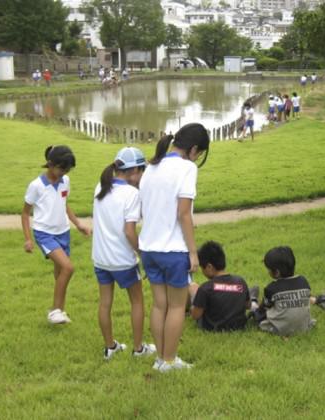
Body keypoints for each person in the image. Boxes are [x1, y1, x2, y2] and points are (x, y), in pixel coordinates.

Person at [139, 123, 210, 372]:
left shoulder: (151, 166)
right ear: (193, 149)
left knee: (160, 305)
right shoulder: (187, 168)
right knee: (178, 306)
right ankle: (169, 361)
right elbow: (184, 213)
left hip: (148, 248)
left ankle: (161, 358)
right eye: (199, 154)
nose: (197, 158)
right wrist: (193, 252)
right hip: (173, 250)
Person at [92, 147, 156, 360]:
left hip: (101, 259)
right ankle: (138, 349)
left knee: (105, 303)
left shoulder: (100, 186)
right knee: (137, 302)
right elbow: (129, 231)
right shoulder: (132, 194)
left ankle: (109, 347)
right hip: (123, 261)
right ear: (135, 170)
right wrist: (143, 254)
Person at [21, 145, 91, 324]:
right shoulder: (36, 186)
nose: (64, 173)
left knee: (60, 274)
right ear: (50, 164)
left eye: (67, 170)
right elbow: (25, 213)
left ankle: (59, 311)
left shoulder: (65, 181)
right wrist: (28, 239)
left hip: (63, 232)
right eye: (62, 168)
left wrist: (78, 224)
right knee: (68, 268)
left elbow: (64, 203)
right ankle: (55, 311)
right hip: (45, 234)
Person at [249, 246, 315, 336]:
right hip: (304, 327)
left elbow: (264, 308)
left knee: (257, 314)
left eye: (268, 270)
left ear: (276, 272)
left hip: (279, 329)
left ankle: (253, 300)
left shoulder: (272, 288)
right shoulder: (303, 281)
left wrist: (257, 311)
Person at [188, 241, 250, 332]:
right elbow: (248, 305)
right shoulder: (240, 282)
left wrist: (192, 307)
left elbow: (195, 315)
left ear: (209, 267)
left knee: (193, 287)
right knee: (253, 290)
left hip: (211, 326)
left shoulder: (206, 288)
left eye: (202, 268)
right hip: (238, 325)